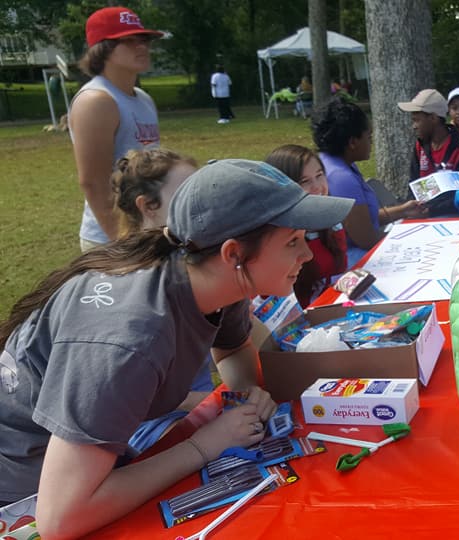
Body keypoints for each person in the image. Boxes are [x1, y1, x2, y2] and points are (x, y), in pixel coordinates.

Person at [0, 159, 355, 537]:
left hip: (88, 465)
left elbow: (232, 349)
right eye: (292, 242)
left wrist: (246, 398)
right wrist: (205, 446)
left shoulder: (218, 278)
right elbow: (61, 518)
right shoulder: (130, 339)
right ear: (233, 254)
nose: (307, 255)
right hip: (27, 497)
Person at [111, 148, 219, 452]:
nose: (202, 206)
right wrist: (218, 403)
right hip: (151, 427)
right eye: (186, 195)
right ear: (147, 206)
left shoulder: (193, 258)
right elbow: (129, 396)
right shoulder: (134, 285)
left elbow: (237, 340)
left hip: (202, 412)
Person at [69, 6, 163, 252]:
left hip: (146, 228)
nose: (141, 46)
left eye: (143, 39)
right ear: (103, 49)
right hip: (111, 238)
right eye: (128, 41)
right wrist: (122, 241)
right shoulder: (96, 101)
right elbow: (93, 182)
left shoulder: (142, 98)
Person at [313, 97, 427, 267]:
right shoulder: (341, 178)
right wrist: (413, 240)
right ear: (352, 142)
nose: (371, 143)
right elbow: (366, 239)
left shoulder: (338, 163)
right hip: (351, 261)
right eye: (369, 137)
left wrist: (403, 210)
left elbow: (363, 219)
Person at [265, 144, 349, 306]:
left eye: (319, 175)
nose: (317, 187)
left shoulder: (331, 218)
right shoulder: (277, 238)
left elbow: (340, 272)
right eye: (304, 181)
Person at [399, 89, 459, 216]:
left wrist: (430, 211)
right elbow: (413, 183)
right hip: (420, 211)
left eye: (417, 120)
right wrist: (411, 206)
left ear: (433, 118)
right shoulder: (420, 146)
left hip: (450, 214)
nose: (414, 126)